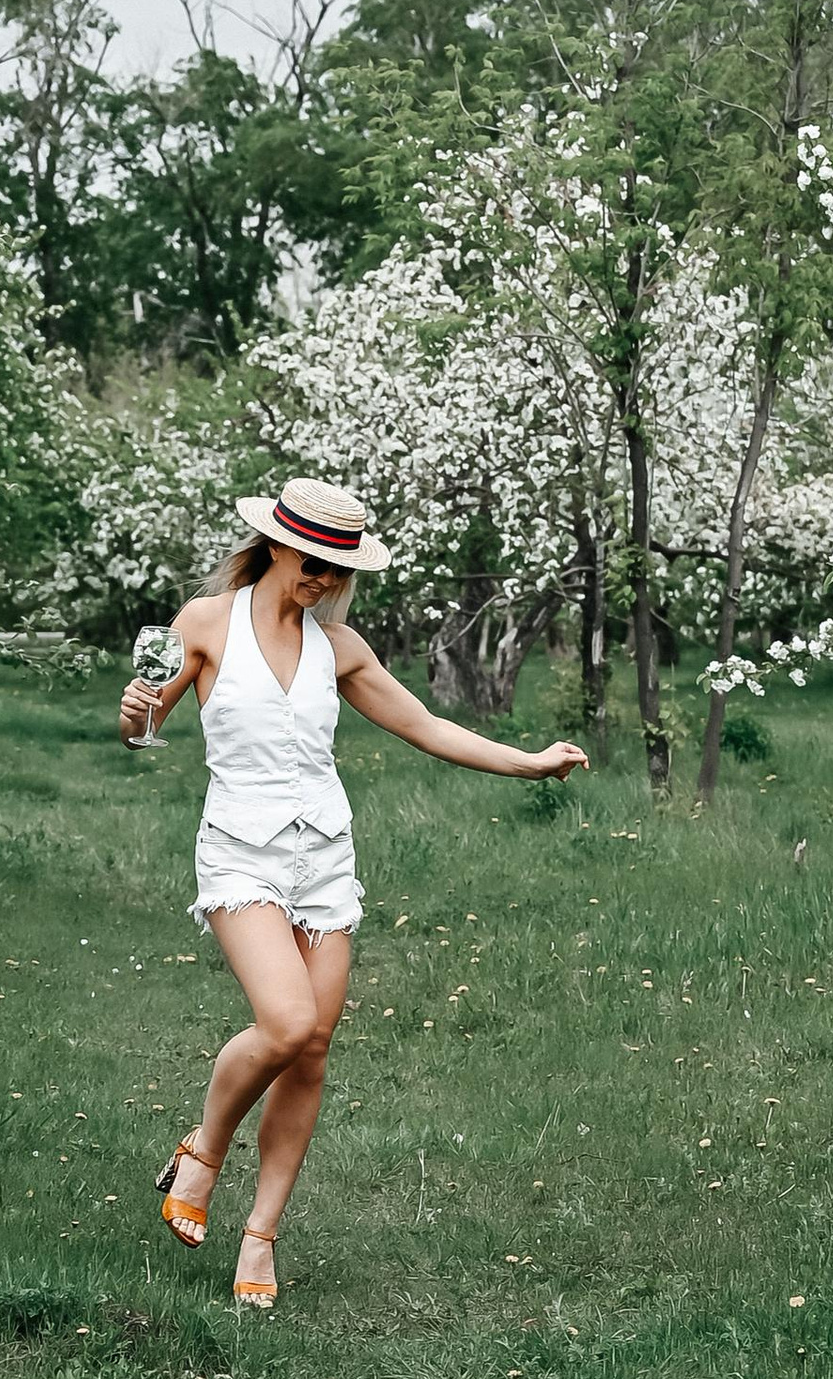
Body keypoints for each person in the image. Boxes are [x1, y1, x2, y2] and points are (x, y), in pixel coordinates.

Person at [120, 479, 588, 1308]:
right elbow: (146, 722)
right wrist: (134, 715)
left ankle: (259, 1235)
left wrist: (530, 761)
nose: (325, 580)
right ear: (274, 545)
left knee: (314, 1048)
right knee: (286, 1021)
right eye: (314, 561)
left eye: (339, 568)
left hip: (324, 860)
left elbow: (427, 727)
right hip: (241, 854)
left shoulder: (338, 646)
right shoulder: (202, 624)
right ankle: (205, 1148)